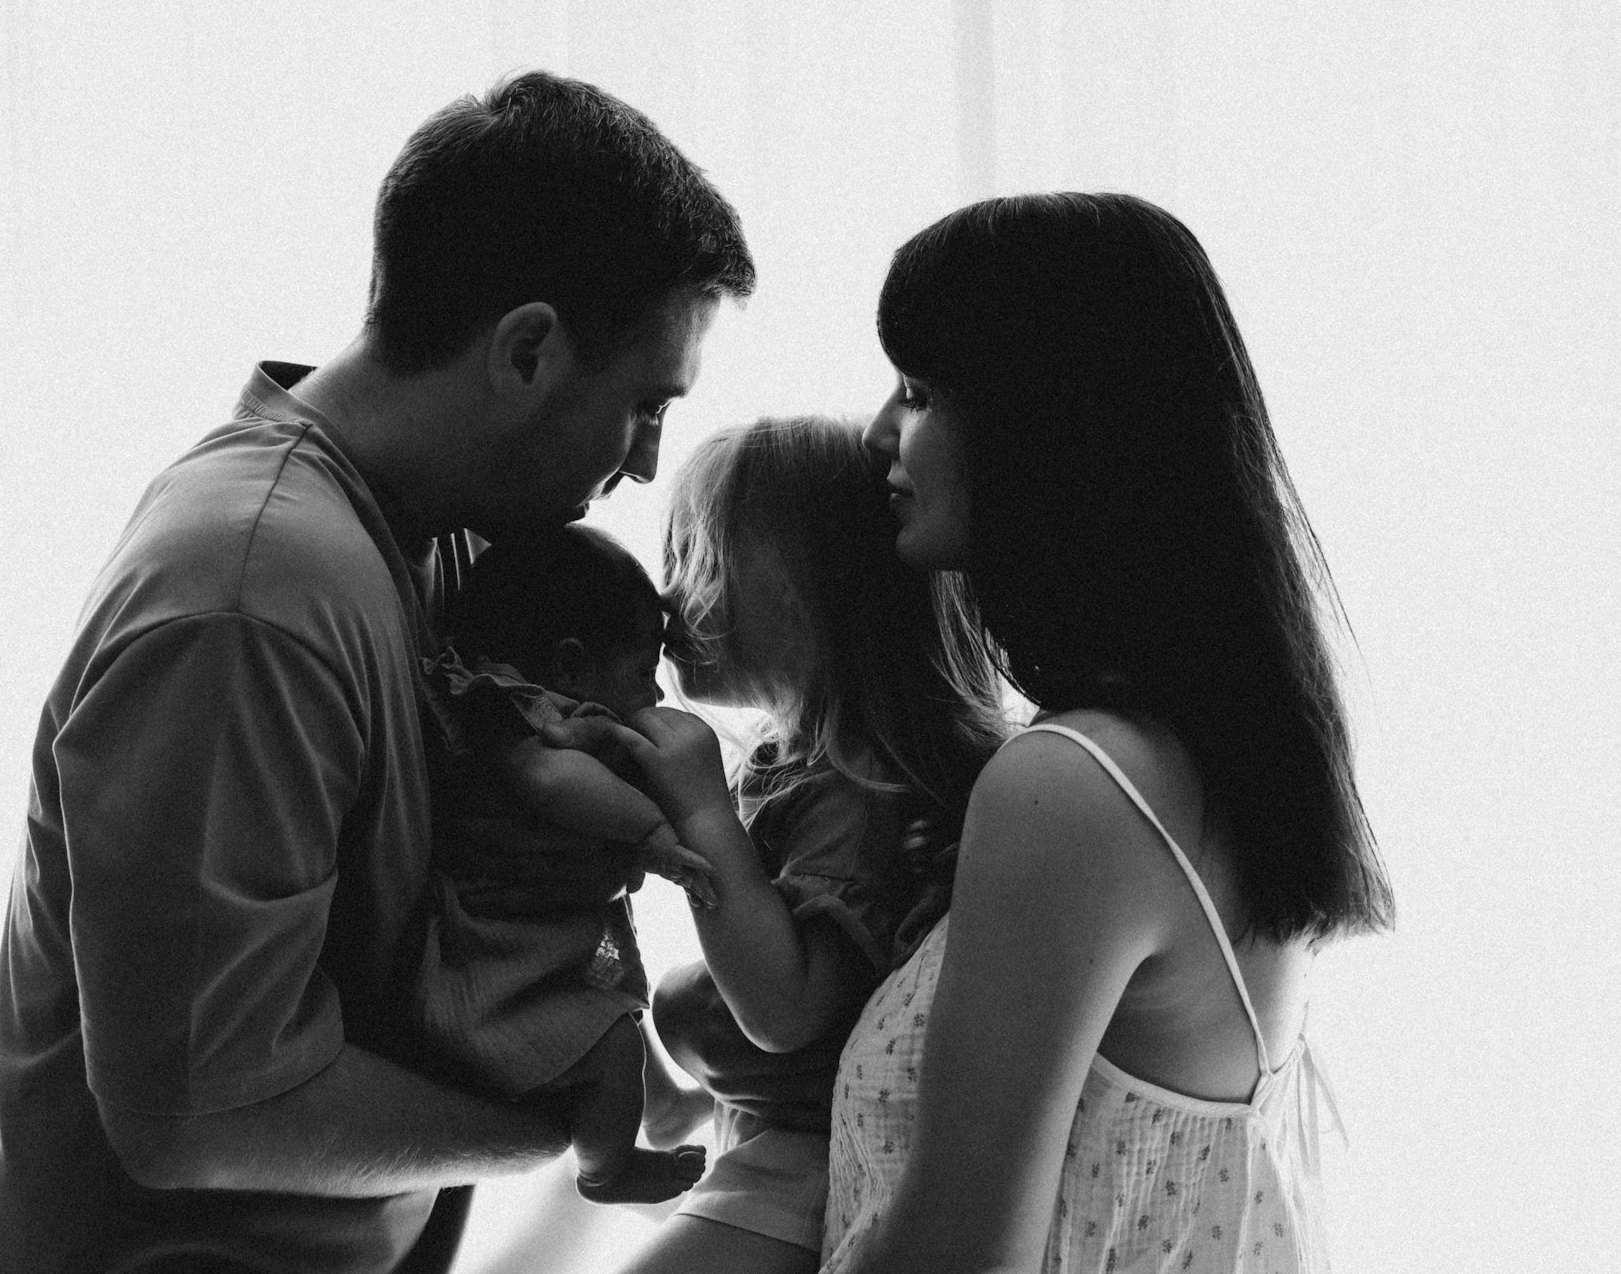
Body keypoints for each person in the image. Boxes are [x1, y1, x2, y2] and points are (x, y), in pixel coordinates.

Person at [0, 71, 752, 1274]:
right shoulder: (252, 593)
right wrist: (574, 1116)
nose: (642, 462)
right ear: (526, 350)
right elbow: (199, 1110)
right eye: (643, 405)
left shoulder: (439, 542)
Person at [804, 192, 1395, 1272]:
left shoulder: (1073, 786)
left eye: (920, 392)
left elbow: (956, 1256)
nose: (880, 432)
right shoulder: (1203, 752)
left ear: (1047, 428)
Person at [602, 416, 1007, 1274]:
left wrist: (702, 813)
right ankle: (685, 1110)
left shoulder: (861, 789)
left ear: (820, 588)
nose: (670, 598)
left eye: (700, 559)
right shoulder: (801, 760)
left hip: (808, 1168)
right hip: (766, 1139)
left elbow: (784, 1012)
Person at [408, 523, 714, 1205]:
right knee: (609, 1044)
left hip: (540, 933)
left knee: (613, 1000)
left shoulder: (535, 707)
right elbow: (551, 781)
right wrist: (653, 832)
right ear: (570, 666)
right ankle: (605, 1171)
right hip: (497, 958)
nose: (656, 697)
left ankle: (661, 1106)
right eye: (643, 674)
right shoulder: (523, 716)